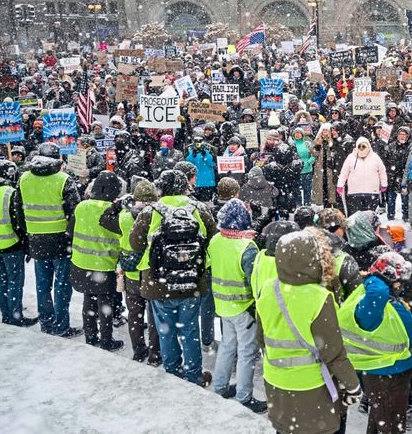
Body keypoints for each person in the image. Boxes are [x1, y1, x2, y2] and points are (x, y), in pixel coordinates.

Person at [257, 231, 362, 434]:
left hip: (275, 382)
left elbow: (261, 338)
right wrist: (352, 386)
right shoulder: (319, 298)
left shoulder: (268, 289)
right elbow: (333, 353)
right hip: (311, 387)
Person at [129, 169, 217, 387]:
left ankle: (172, 373)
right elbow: (213, 238)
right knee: (190, 329)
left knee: (165, 329)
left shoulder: (151, 211)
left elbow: (135, 243)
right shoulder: (199, 208)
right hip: (192, 278)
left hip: (159, 281)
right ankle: (194, 374)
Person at [338, 252, 412, 434]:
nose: (401, 285)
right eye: (398, 280)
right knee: (391, 423)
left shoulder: (380, 297)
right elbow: (375, 302)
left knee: (381, 417)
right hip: (386, 372)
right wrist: (377, 279)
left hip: (390, 370)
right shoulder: (375, 297)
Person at [15, 142, 83, 338]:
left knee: (42, 284)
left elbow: (18, 210)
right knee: (62, 286)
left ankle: (46, 322)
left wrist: (28, 231)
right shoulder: (63, 180)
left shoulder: (24, 178)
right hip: (61, 239)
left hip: (36, 238)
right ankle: (61, 326)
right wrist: (72, 237)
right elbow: (74, 213)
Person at [208, 198, 268, 413]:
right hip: (243, 306)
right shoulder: (247, 247)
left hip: (222, 303)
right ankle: (244, 396)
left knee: (227, 346)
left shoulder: (216, 240)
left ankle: (221, 386)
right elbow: (255, 280)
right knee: (247, 352)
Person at [100, 178, 161, 365]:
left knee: (135, 314)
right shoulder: (157, 216)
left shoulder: (124, 217)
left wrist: (117, 205)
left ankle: (138, 350)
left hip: (130, 272)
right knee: (153, 316)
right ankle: (155, 354)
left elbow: (104, 220)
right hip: (150, 273)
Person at [69, 170, 124, 351]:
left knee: (88, 300)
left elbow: (70, 232)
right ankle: (106, 341)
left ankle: (90, 337)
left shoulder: (81, 206)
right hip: (103, 264)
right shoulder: (114, 211)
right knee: (105, 304)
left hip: (81, 262)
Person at [0, 160, 35, 326]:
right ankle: (15, 317)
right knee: (14, 283)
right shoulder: (10, 193)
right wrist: (25, 242)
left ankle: (6, 315)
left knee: (0, 282)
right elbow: (18, 221)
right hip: (11, 244)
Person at [337, 137, 388, 216]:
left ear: (368, 146)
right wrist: (340, 185)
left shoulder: (375, 157)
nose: (361, 148)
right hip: (354, 193)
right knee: (355, 217)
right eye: (359, 146)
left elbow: (382, 171)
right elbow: (344, 173)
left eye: (363, 146)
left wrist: (384, 184)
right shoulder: (351, 157)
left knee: (370, 217)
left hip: (372, 192)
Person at [185, 135, 217, 202]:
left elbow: (211, 163)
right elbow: (189, 163)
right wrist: (193, 154)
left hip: (207, 182)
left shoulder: (209, 150)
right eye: (196, 142)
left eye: (199, 142)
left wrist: (204, 153)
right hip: (195, 182)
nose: (198, 144)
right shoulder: (191, 151)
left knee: (206, 203)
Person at [292, 127, 315, 206]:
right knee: (296, 190)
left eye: (299, 133)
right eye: (296, 133)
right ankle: (298, 205)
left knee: (307, 190)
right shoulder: (292, 144)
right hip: (296, 171)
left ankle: (307, 204)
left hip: (307, 170)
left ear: (302, 134)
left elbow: (314, 154)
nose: (297, 134)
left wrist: (310, 162)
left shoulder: (307, 144)